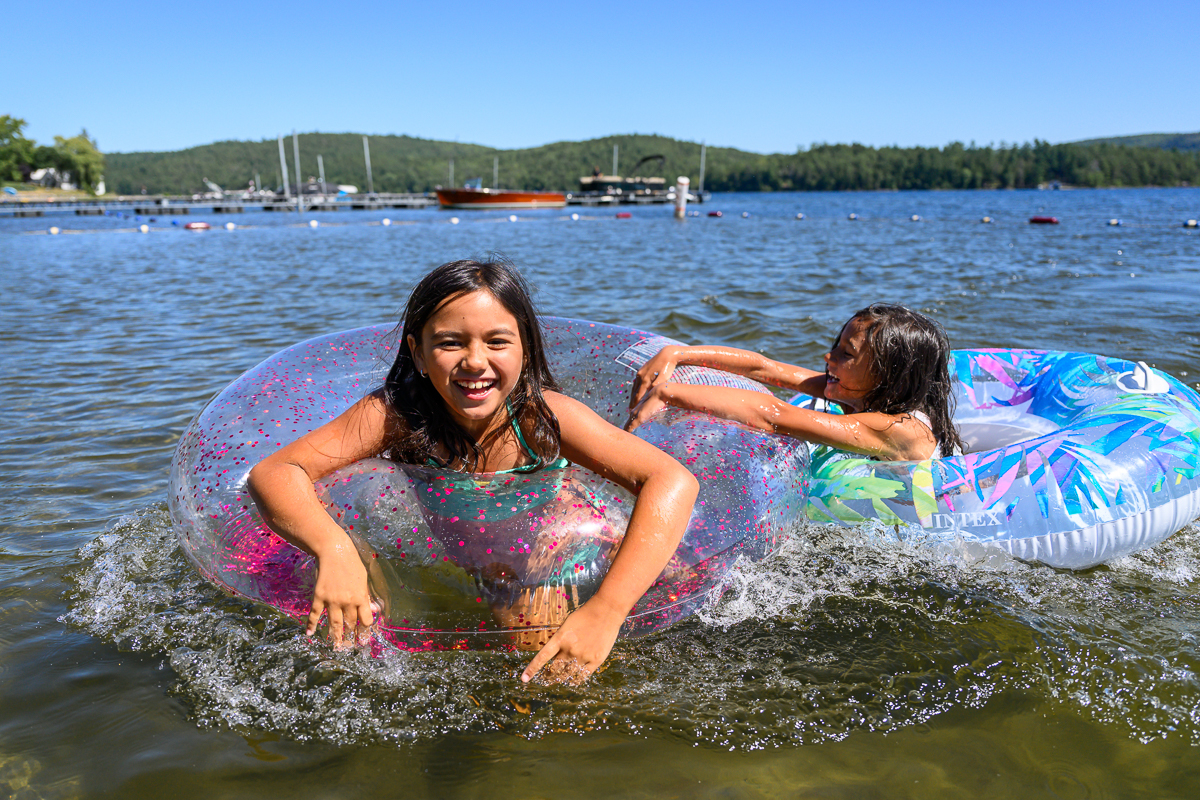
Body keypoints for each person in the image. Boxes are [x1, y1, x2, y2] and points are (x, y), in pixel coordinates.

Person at [248, 258, 698, 684]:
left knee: (542, 680)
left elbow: (672, 479)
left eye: (497, 342)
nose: (475, 362)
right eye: (449, 343)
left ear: (525, 349)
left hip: (565, 551)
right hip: (486, 564)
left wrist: (608, 609)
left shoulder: (542, 418)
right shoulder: (396, 415)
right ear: (418, 354)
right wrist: (335, 550)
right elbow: (276, 470)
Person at [627, 303, 964, 461]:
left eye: (847, 354)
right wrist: (677, 354)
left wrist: (672, 393)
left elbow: (775, 416)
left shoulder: (898, 429)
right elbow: (765, 369)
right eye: (835, 346)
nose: (828, 359)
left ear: (887, 375)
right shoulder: (862, 394)